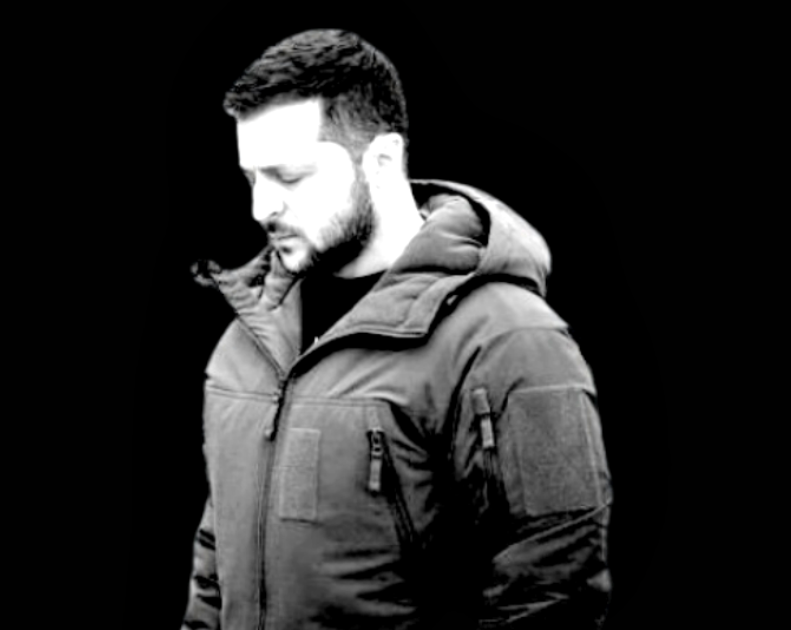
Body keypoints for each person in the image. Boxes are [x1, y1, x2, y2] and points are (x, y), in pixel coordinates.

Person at [184, 28, 613, 629]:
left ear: (381, 161)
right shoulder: (249, 340)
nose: (262, 208)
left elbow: (552, 596)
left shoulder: (508, 342)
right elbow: (216, 568)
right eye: (253, 179)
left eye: (290, 176)